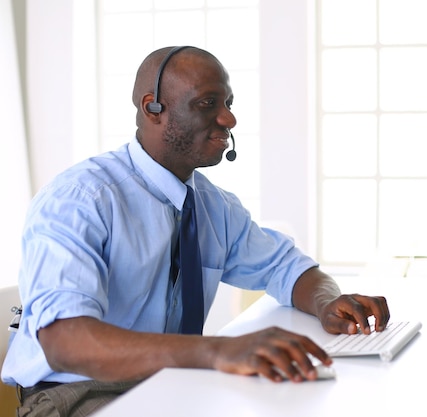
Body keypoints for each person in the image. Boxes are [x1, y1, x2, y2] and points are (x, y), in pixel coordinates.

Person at [1, 46, 390, 416]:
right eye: (208, 103)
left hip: (170, 381)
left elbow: (288, 267)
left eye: (228, 103)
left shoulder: (212, 205)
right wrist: (216, 351)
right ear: (153, 108)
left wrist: (327, 302)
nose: (229, 119)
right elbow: (65, 342)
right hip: (78, 393)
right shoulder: (81, 200)